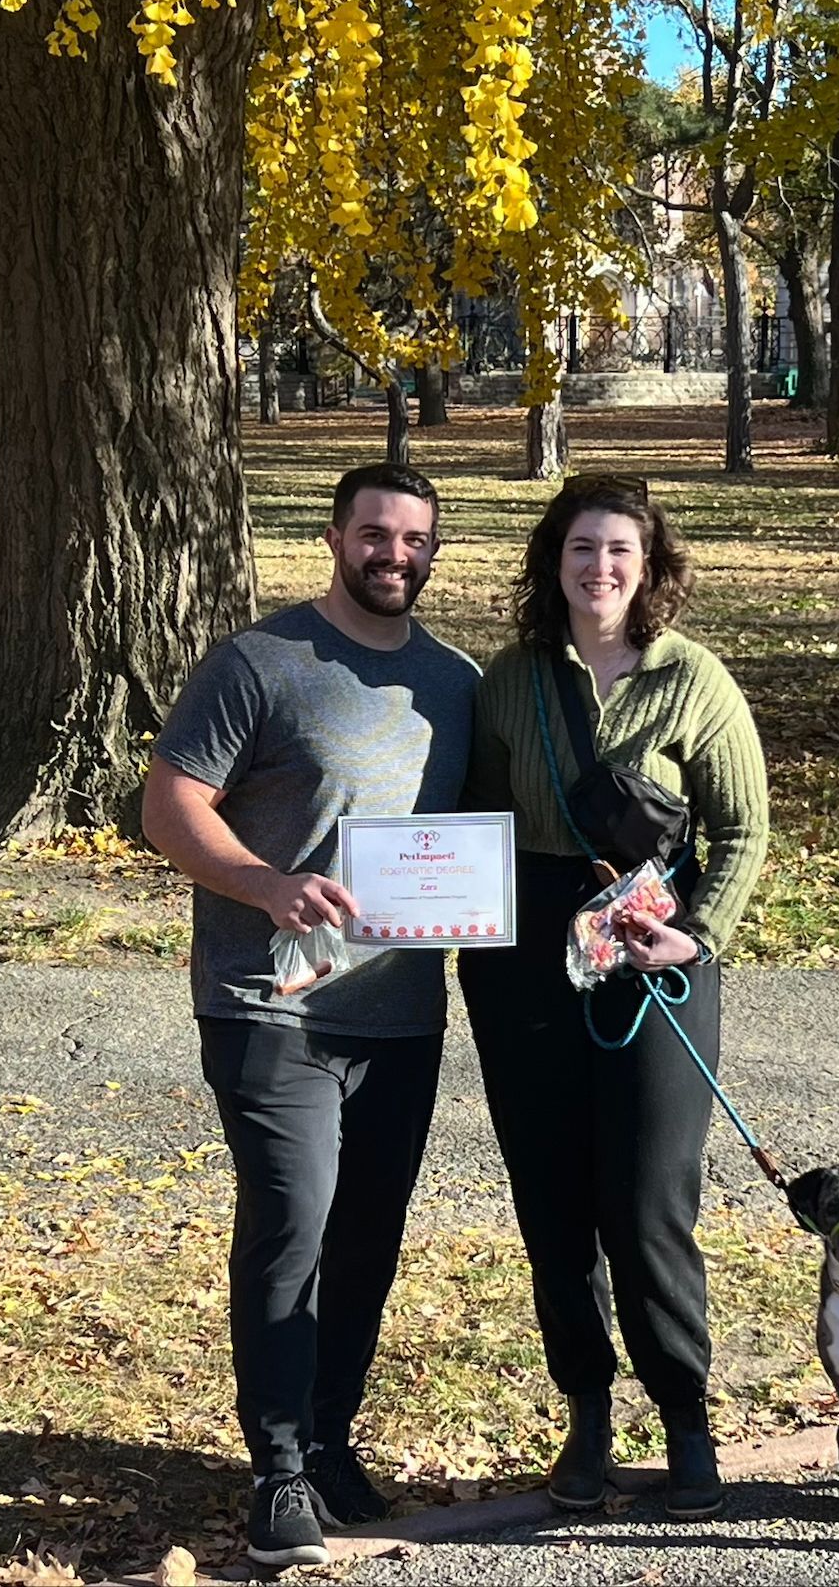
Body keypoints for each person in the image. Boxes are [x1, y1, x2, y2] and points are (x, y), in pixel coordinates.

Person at [142, 462, 478, 1570]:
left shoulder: (457, 682)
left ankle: (332, 1441)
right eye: (375, 534)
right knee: (293, 1218)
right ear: (335, 538)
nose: (394, 554)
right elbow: (170, 803)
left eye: (414, 539)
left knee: (366, 1239)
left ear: (433, 550)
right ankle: (278, 1471)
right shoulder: (259, 662)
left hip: (398, 1011)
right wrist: (264, 883)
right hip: (266, 1000)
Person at [460, 473, 769, 1520]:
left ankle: (684, 1416)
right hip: (527, 946)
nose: (600, 568)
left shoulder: (695, 681)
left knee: (645, 1201)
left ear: (650, 570)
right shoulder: (510, 679)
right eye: (583, 548)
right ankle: (586, 1416)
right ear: (554, 560)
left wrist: (697, 933)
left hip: (655, 947)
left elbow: (743, 831)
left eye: (620, 553)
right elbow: (472, 824)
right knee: (552, 1200)